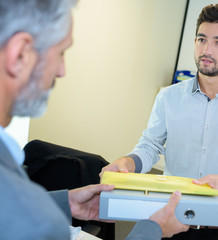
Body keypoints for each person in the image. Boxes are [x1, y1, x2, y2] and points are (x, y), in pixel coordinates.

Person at [0, 0, 188, 239]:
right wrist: (152, 230)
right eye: (60, 52)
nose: (62, 70)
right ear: (20, 54)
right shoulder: (41, 224)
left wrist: (64, 201)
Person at [101, 3, 218, 240]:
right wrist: (127, 163)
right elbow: (150, 146)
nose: (206, 49)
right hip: (170, 218)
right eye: (201, 39)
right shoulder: (168, 97)